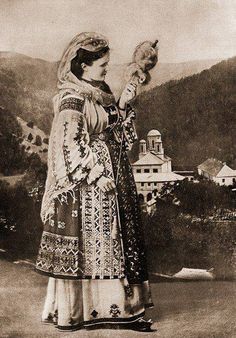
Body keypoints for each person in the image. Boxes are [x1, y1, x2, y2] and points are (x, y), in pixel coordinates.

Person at [36, 32, 154, 332]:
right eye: (102, 64)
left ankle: (121, 312)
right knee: (95, 245)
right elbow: (68, 143)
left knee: (115, 241)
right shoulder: (72, 98)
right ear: (83, 66)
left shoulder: (101, 92)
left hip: (112, 182)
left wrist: (124, 104)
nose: (106, 69)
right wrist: (95, 174)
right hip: (88, 188)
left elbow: (117, 134)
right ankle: (82, 314)